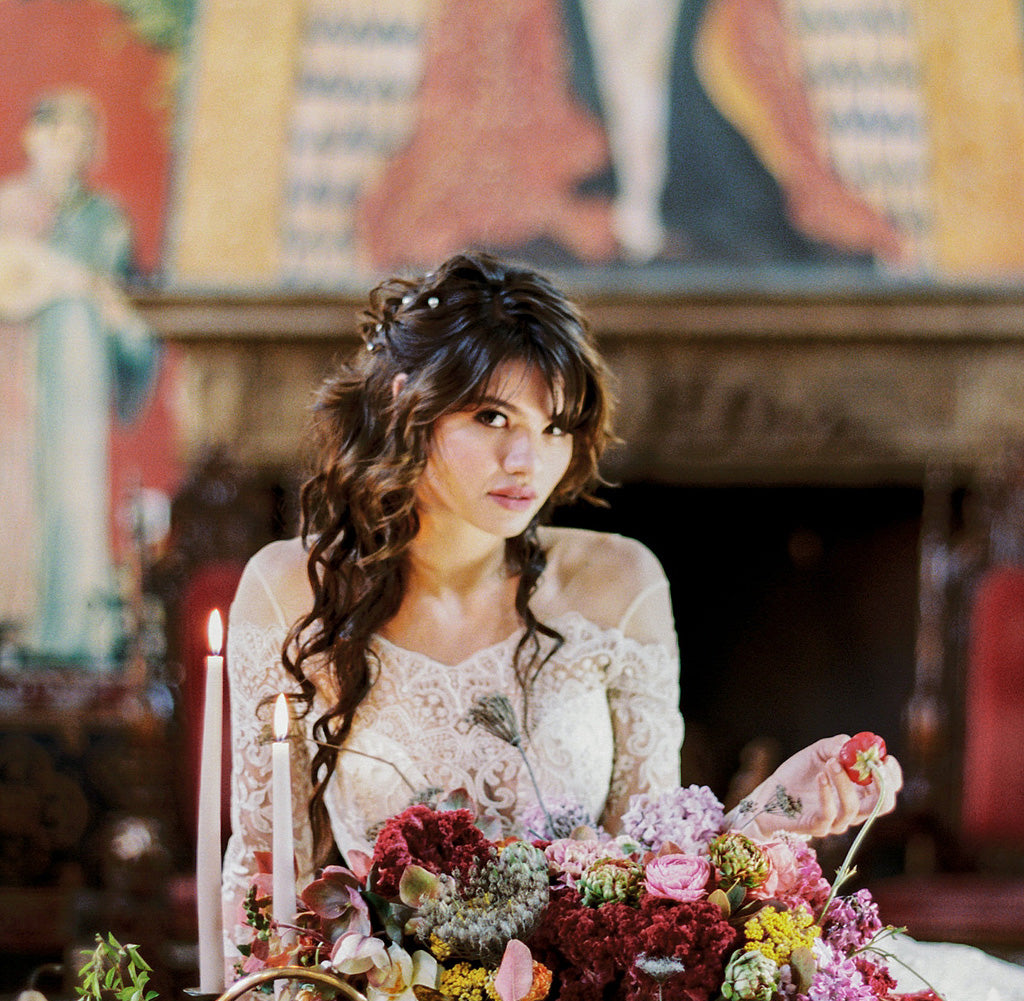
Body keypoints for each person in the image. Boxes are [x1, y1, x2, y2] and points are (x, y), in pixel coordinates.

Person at [222, 250, 900, 959]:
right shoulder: (292, 589)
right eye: (492, 416)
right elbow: (266, 870)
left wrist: (780, 804)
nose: (528, 460)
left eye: (554, 427)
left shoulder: (619, 581)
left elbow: (659, 868)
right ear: (401, 402)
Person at [0, 88, 157, 662]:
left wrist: (112, 317)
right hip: (15, 387)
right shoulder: (8, 208)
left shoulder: (105, 220)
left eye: (83, 143)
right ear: (33, 139)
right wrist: (68, 281)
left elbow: (125, 310)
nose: (72, 154)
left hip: (75, 390)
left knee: (74, 498)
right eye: (61, 138)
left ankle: (72, 634)